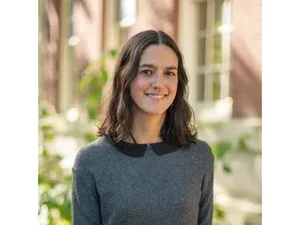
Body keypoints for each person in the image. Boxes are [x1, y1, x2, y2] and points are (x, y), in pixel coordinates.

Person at [72, 30, 214, 225]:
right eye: (147, 72)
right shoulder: (92, 161)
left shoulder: (199, 155)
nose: (159, 83)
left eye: (169, 73)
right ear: (126, 78)